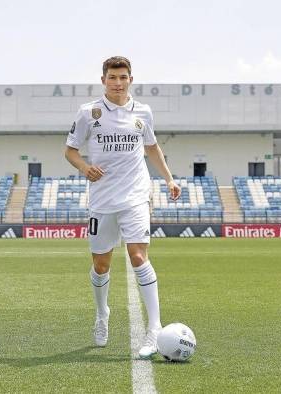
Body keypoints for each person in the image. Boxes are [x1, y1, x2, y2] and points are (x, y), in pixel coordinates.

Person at [65, 56, 181, 359]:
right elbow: (70, 151)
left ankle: (154, 329)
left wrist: (168, 179)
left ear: (131, 79)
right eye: (113, 77)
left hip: (136, 195)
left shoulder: (143, 112)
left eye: (124, 77)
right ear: (103, 79)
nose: (118, 82)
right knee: (101, 265)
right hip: (102, 199)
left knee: (138, 256)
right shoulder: (89, 113)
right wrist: (84, 167)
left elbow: (152, 147)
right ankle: (102, 315)